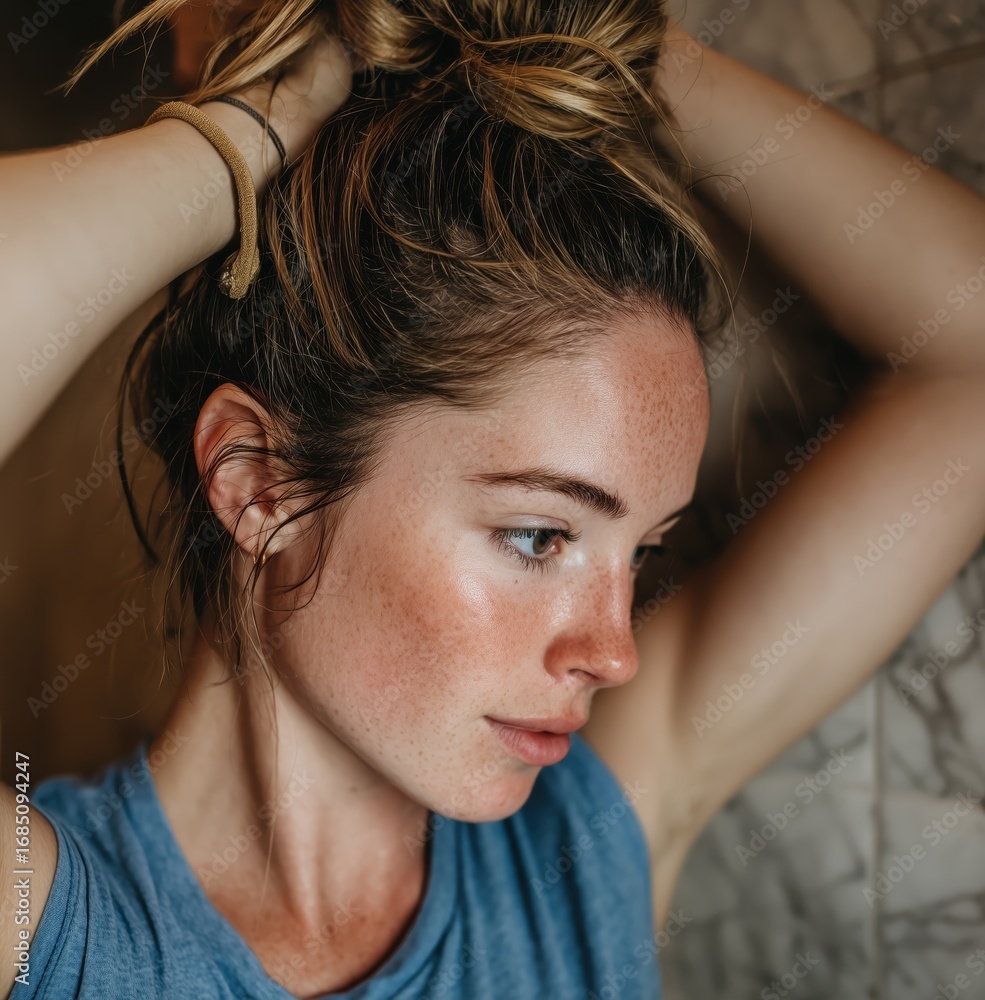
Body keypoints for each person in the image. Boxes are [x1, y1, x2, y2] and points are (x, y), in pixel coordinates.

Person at [3, 1, 985, 997]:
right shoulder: (51, 932)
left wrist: (611, 49)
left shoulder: (582, 861)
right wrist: (251, 129)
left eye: (637, 552)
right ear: (260, 485)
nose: (614, 652)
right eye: (537, 535)